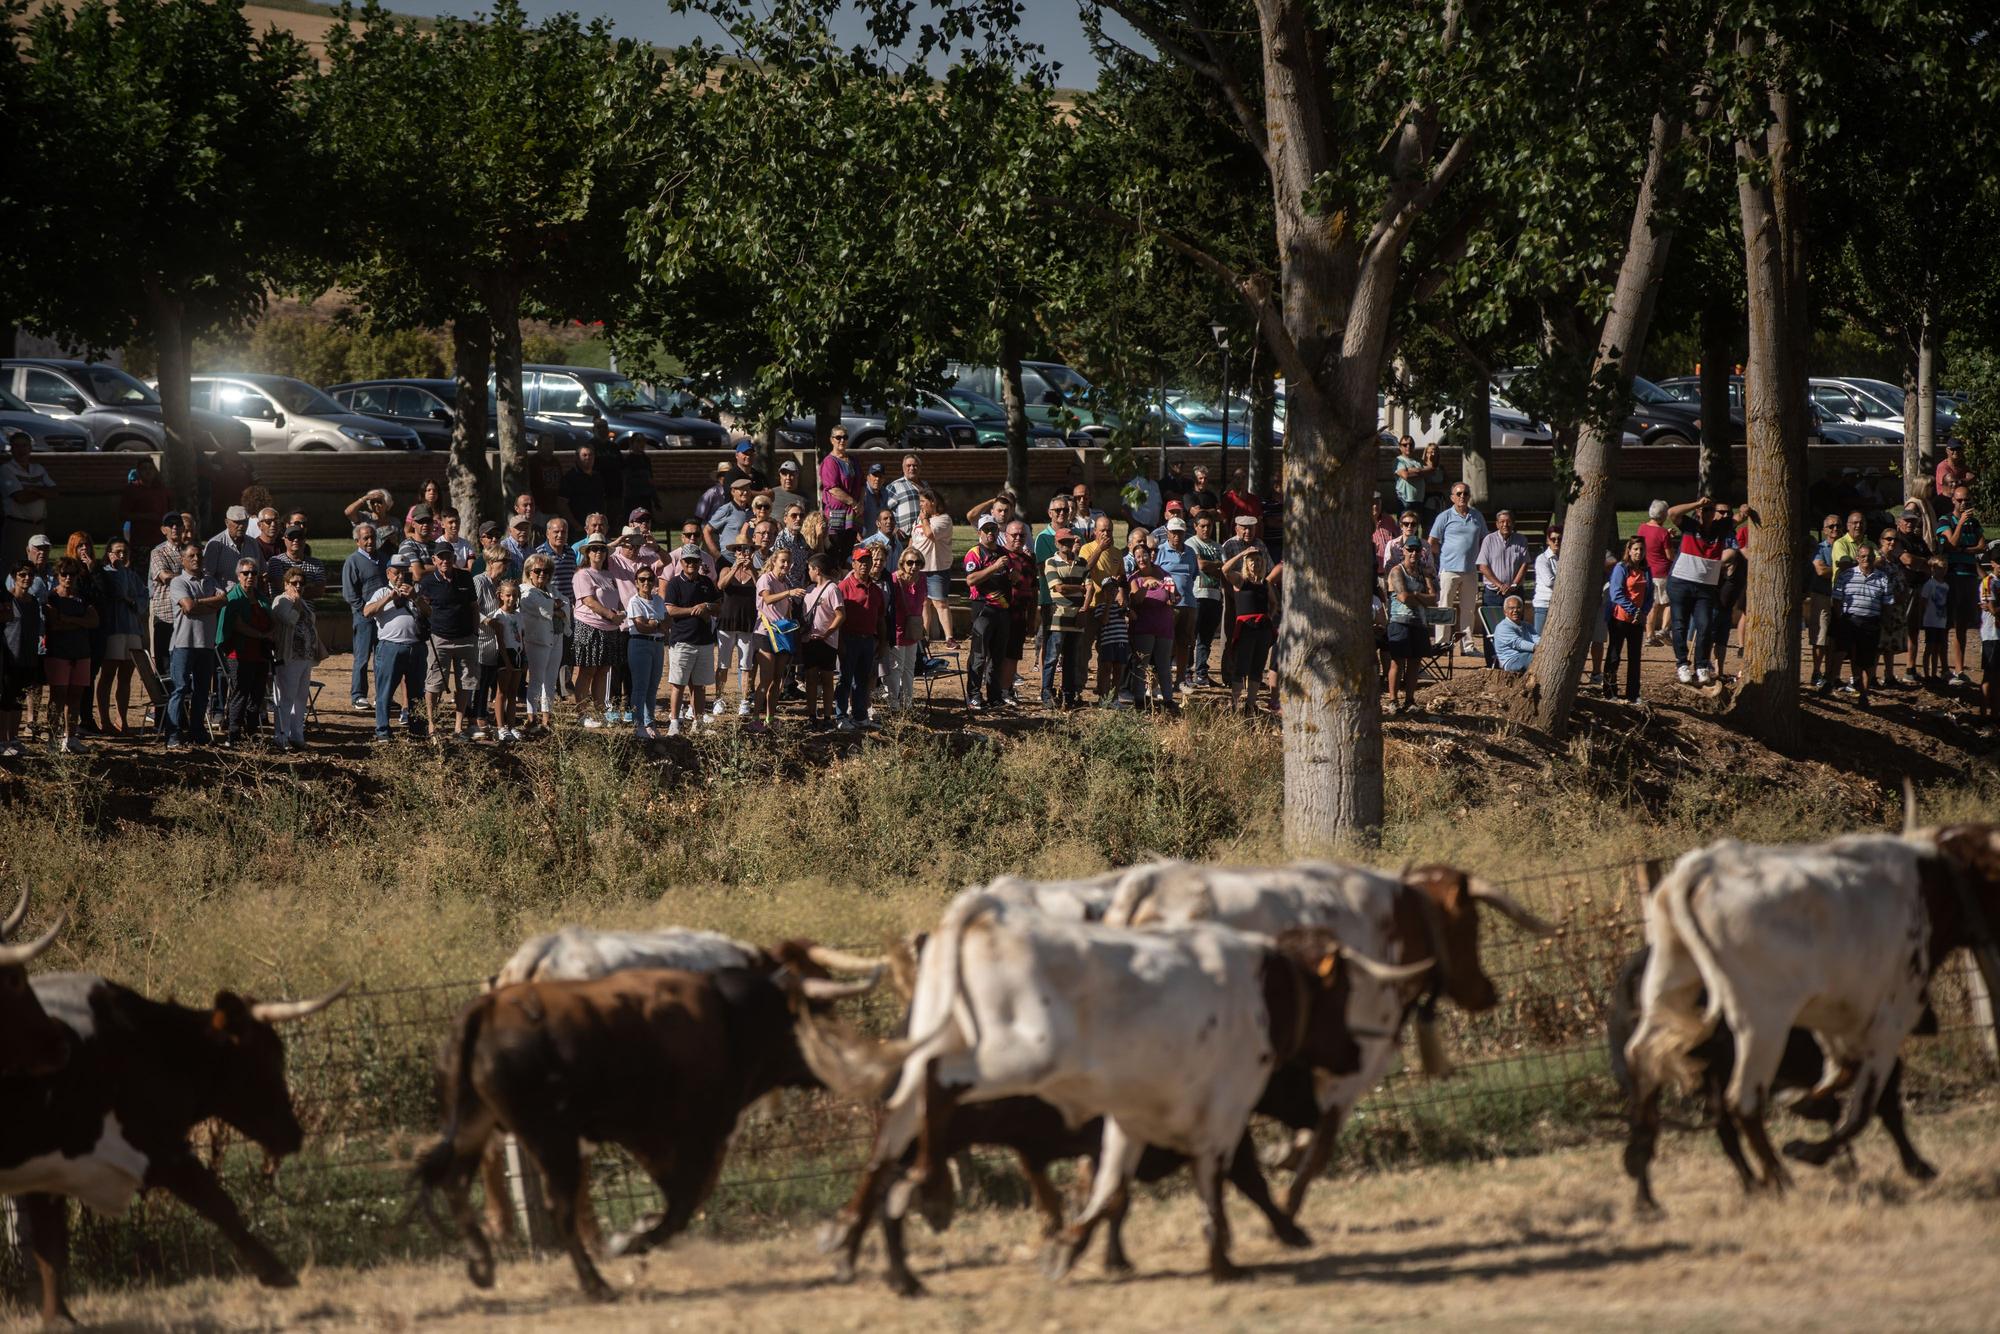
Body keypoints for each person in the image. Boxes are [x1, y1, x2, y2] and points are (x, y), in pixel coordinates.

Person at [1664, 494, 1735, 686]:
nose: (1709, 513)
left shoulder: (1722, 528)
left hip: (1705, 588)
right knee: (1680, 625)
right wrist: (1697, 503)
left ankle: (1702, 665)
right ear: (1698, 512)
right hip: (1680, 584)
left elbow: (1739, 517)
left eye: (1712, 510)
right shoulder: (1689, 525)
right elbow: (1671, 512)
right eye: (1706, 510)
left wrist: (1743, 510)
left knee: (1705, 625)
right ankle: (1682, 664)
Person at [164, 542, 225, 749]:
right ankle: (173, 735)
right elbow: (188, 607)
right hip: (183, 644)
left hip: (206, 645)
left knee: (201, 691)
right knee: (180, 689)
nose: (196, 559)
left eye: (199, 555)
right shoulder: (178, 582)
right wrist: (208, 603)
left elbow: (223, 600)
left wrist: (197, 603)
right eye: (191, 556)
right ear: (182, 559)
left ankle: (197, 732)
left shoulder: (210, 580)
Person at [419, 543, 480, 742]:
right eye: (441, 557)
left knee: (466, 683)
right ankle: (432, 725)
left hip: (466, 638)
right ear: (434, 560)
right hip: (440, 638)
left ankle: (458, 727)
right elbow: (424, 608)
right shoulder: (428, 582)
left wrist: (475, 633)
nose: (445, 561)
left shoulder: (464, 577)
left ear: (454, 558)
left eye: (448, 557)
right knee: (434, 683)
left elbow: (473, 607)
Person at [214, 559, 274, 747]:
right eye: (246, 573)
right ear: (238, 576)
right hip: (239, 654)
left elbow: (271, 619)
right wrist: (261, 634)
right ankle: (233, 734)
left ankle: (252, 733)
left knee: (257, 695)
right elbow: (237, 625)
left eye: (253, 573)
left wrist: (269, 634)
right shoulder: (233, 597)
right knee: (240, 693)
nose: (250, 577)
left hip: (260, 653)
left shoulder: (261, 597)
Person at [40, 558, 98, 753]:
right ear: (57, 574)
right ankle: (53, 738)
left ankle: (70, 737)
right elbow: (55, 624)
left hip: (81, 652)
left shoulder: (82, 596)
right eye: (64, 573)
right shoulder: (52, 597)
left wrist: (69, 620)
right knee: (57, 697)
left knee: (76, 697)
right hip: (59, 653)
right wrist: (80, 621)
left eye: (72, 574)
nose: (68, 577)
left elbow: (94, 621)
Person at [662, 545, 719, 737]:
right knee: (677, 683)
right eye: (688, 561)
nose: (691, 564)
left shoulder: (706, 583)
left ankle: (698, 722)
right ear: (681, 562)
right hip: (682, 640)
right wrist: (695, 610)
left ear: (700, 562)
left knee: (699, 685)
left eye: (695, 560)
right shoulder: (674, 584)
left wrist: (707, 606)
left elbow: (718, 607)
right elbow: (671, 610)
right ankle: (674, 722)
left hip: (704, 641)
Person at [569, 534, 624, 729]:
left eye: (601, 549)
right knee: (588, 670)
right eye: (594, 549)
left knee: (603, 671)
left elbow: (616, 600)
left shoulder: (609, 576)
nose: (598, 552)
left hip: (610, 628)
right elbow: (588, 601)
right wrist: (611, 615)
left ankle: (600, 714)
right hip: (589, 626)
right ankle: (582, 714)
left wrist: (619, 613)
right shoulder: (582, 574)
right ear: (588, 553)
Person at [1825, 543, 1891, 706]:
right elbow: (1837, 598)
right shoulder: (1846, 575)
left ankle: (1864, 693)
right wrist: (1841, 616)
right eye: (1862, 556)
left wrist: (1884, 621)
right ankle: (1830, 682)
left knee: (1867, 660)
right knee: (1840, 652)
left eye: (1869, 557)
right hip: (1849, 619)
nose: (1866, 559)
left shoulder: (1882, 577)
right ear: (1857, 558)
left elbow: (1887, 602)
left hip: (1871, 621)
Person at [1427, 483, 1488, 655]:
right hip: (1448, 570)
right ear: (1452, 497)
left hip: (1470, 570)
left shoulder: (1477, 516)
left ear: (1469, 496)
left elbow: (1484, 539)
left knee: (1468, 609)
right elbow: (1432, 542)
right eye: (1458, 493)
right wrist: (1446, 555)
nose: (1462, 496)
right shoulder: (1444, 517)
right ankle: (1442, 644)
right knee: (1444, 607)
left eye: (1465, 493)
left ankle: (1467, 647)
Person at [94, 538, 146, 734]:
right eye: (117, 552)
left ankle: (122, 719)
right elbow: (118, 592)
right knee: (107, 675)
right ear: (109, 553)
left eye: (125, 552)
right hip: (113, 629)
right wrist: (126, 594)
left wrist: (132, 601)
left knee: (126, 675)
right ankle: (104, 720)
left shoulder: (133, 575)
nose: (121, 556)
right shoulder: (107, 574)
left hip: (132, 629)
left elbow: (143, 599)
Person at [269, 566, 322, 752]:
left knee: (300, 698)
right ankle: (281, 736)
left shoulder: (303, 602)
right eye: (294, 583)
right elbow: (290, 619)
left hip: (305, 657)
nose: (298, 586)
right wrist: (297, 604)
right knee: (286, 697)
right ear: (286, 584)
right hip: (288, 657)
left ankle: (297, 735)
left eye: (301, 583)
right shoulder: (281, 601)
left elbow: (311, 622)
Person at [1936, 486, 1985, 686]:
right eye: (1959, 500)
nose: (1963, 504)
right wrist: (1961, 524)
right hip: (1952, 575)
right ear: (1953, 501)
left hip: (1969, 575)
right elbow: (1951, 544)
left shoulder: (1975, 522)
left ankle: (1960, 668)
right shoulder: (1945, 520)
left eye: (1966, 500)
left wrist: (1963, 550)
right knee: (1947, 622)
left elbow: (1982, 545)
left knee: (1962, 625)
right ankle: (1944, 668)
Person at [1125, 538, 1179, 713]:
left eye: (1144, 555)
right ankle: (1139, 700)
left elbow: (1174, 596)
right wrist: (1146, 587)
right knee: (1141, 664)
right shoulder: (1134, 578)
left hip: (1164, 626)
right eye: (1138, 557)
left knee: (1164, 665)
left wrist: (1174, 599)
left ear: (1151, 556)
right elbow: (1136, 601)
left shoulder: (1164, 574)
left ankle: (1168, 700)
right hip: (1143, 628)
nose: (1141, 559)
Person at [1382, 537, 1435, 714]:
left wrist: (1414, 595)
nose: (1413, 553)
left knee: (1415, 663)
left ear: (1421, 552)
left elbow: (1433, 599)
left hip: (1419, 623)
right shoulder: (1397, 571)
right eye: (1410, 549)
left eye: (1417, 550)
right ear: (1403, 551)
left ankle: (1410, 700)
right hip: (1399, 622)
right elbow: (1403, 597)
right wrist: (1420, 596)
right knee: (1397, 662)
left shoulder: (1423, 572)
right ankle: (1393, 700)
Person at [962, 517, 1009, 711]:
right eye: (986, 529)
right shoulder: (974, 553)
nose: (990, 533)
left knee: (998, 656)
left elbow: (1011, 574)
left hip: (1003, 609)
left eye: (994, 529)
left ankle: (994, 696)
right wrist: (994, 568)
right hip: (983, 608)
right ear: (979, 532)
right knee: (979, 655)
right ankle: (974, 695)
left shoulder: (1003, 552)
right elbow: (971, 579)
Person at [752, 546, 801, 732]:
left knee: (777, 679)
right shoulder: (766, 579)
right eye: (783, 561)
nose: (786, 565)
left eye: (788, 562)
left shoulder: (785, 583)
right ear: (774, 561)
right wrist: (789, 593)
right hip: (765, 633)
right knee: (765, 678)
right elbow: (767, 599)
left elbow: (785, 611)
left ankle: (770, 718)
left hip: (781, 634)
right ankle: (755, 718)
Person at [517, 555, 568, 732]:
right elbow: (540, 607)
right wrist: (556, 607)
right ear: (529, 572)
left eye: (546, 571)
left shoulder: (552, 589)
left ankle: (547, 719)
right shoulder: (524, 591)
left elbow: (568, 605)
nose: (542, 574)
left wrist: (556, 607)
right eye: (537, 571)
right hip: (537, 639)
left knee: (551, 680)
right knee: (536, 679)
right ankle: (532, 718)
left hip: (557, 637)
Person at [1222, 546, 1276, 714]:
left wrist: (1269, 618)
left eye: (1259, 560)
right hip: (1245, 628)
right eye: (1252, 560)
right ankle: (1235, 703)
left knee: (1257, 667)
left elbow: (1274, 603)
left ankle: (1250, 705)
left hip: (1262, 628)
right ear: (1246, 562)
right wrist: (1241, 554)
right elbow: (1224, 570)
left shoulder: (1265, 583)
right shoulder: (1240, 580)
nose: (1256, 563)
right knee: (1241, 666)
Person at [341, 521, 388, 711]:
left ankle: (382, 696)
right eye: (365, 538)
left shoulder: (384, 558)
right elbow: (349, 594)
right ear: (357, 541)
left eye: (372, 537)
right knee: (362, 658)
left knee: (382, 658)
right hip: (364, 617)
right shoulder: (352, 562)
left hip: (385, 618)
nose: (370, 541)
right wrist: (365, 610)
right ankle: (358, 695)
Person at [834, 546, 882, 731]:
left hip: (868, 640)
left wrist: (882, 641)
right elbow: (836, 617)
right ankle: (841, 715)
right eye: (860, 561)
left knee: (863, 679)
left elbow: (880, 619)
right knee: (845, 679)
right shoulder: (844, 587)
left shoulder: (876, 590)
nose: (864, 564)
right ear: (853, 563)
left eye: (867, 561)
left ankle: (860, 716)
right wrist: (839, 643)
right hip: (848, 638)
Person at [1475, 509, 1529, 664]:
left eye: (1508, 521)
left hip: (1515, 592)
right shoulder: (1489, 540)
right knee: (1491, 628)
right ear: (1497, 524)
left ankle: (1515, 661)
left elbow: (1525, 564)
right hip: (1493, 593)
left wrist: (1513, 584)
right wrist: (1499, 584)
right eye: (1502, 521)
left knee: (1516, 627)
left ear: (1513, 523)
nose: (1505, 524)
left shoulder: (1521, 540)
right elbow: (1483, 566)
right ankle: (1492, 661)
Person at [713, 537, 760, 717]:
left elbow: (761, 589)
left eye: (747, 549)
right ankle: (719, 699)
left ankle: (744, 700)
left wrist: (752, 571)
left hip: (747, 622)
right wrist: (735, 568)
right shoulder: (726, 568)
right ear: (735, 552)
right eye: (739, 549)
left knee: (746, 665)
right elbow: (721, 585)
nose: (743, 553)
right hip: (727, 621)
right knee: (723, 663)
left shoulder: (756, 571)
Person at [1603, 535, 1653, 702]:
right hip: (1620, 618)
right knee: (1614, 655)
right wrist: (1633, 610)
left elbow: (1649, 595)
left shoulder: (1647, 570)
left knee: (1635, 657)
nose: (1639, 552)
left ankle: (1633, 694)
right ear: (1629, 551)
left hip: (1637, 620)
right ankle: (1610, 692)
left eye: (1641, 549)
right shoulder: (1621, 567)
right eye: (1636, 549)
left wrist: (1643, 612)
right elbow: (1616, 593)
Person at [622, 565, 668, 738]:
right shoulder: (634, 601)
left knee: (652, 687)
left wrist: (653, 623)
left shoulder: (658, 600)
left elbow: (667, 624)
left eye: (650, 579)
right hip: (640, 644)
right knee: (640, 687)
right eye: (642, 579)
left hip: (657, 645)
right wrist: (656, 623)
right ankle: (638, 723)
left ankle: (650, 723)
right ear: (636, 583)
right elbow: (641, 627)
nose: (646, 582)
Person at [1155, 516, 1199, 690]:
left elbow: (1193, 575)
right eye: (1173, 533)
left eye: (1180, 533)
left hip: (1188, 603)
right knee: (1166, 644)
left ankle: (1180, 680)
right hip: (1168, 605)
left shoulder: (1190, 553)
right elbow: (1155, 574)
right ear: (1167, 533)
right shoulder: (1160, 551)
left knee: (1184, 643)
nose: (1176, 536)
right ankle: (1161, 679)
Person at [0, 433, 56, 566]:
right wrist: (42, 491)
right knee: (15, 565)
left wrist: (32, 489)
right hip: (17, 526)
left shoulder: (38, 469)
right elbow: (20, 497)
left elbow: (54, 493)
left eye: (24, 445)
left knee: (38, 565)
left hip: (38, 526)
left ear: (30, 448)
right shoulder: (6, 469)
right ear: (11, 449)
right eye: (17, 446)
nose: (21, 450)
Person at [910, 487, 955, 648]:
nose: (920, 505)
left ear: (933, 502)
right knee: (923, 603)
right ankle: (925, 636)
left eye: (923, 501)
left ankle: (949, 637)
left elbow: (930, 534)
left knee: (940, 603)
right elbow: (914, 539)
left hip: (936, 567)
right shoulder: (921, 519)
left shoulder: (944, 519)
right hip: (919, 569)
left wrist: (923, 519)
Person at [1186, 513, 1226, 687]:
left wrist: (1215, 567)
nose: (1205, 529)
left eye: (1209, 525)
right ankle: (1186, 672)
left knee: (1206, 639)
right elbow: (1200, 565)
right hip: (1197, 596)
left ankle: (1201, 674)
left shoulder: (1218, 547)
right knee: (1190, 637)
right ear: (1195, 526)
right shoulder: (1191, 543)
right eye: (1202, 525)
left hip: (1215, 596)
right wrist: (1216, 566)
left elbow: (1224, 569)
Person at [1636, 500, 1675, 646]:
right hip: (1662, 572)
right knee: (1669, 602)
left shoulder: (1642, 528)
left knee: (1652, 604)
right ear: (1663, 515)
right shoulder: (1663, 533)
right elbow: (1669, 555)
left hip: (1648, 571)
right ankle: (1664, 630)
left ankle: (1649, 635)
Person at [819, 429, 859, 563]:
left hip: (852, 514)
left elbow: (862, 483)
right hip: (836, 513)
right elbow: (832, 488)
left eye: (845, 437)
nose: (842, 440)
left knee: (848, 553)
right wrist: (854, 503)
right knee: (834, 551)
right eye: (838, 437)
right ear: (832, 440)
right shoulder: (830, 462)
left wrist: (861, 504)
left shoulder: (853, 460)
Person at [557, 445, 610, 529]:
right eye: (584, 455)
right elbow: (562, 504)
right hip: (578, 527)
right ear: (577, 458)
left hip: (597, 526)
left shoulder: (598, 477)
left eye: (591, 455)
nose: (588, 458)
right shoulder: (570, 478)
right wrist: (575, 525)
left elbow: (603, 500)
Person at [704, 478, 759, 557]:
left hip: (747, 555)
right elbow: (706, 530)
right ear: (733, 492)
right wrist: (716, 554)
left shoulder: (752, 510)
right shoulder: (726, 509)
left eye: (747, 489)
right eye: (742, 490)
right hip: (729, 556)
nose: (745, 492)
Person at [1918, 556, 1951, 682]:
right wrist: (1922, 617)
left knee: (1937, 648)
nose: (1943, 571)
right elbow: (1923, 601)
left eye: (1944, 568)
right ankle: (1926, 674)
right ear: (1933, 569)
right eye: (1940, 568)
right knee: (1929, 648)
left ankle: (1933, 673)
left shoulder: (1946, 586)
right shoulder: (1930, 584)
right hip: (1930, 620)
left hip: (1941, 620)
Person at [1491, 595, 1539, 673]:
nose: (1515, 610)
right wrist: (1539, 648)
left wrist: (1546, 646)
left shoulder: (1527, 625)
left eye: (1518, 607)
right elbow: (1518, 643)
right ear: (1505, 612)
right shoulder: (1502, 627)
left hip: (1527, 655)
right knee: (1537, 658)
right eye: (1511, 608)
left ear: (1522, 610)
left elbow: (1536, 638)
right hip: (1512, 660)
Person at [1530, 525, 1561, 634]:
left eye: (1559, 539)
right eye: (1553, 539)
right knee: (1540, 638)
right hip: (1543, 605)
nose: (1556, 542)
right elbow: (1549, 581)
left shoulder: (1562, 558)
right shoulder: (1542, 559)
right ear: (1548, 540)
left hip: (1558, 604)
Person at [884, 455, 924, 538]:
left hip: (923, 534)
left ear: (920, 468)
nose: (912, 468)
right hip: (904, 536)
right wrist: (894, 528)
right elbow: (884, 509)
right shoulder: (895, 486)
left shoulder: (926, 486)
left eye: (915, 465)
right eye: (908, 465)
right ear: (903, 468)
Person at [1393, 436, 1433, 516]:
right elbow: (1406, 475)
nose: (1408, 447)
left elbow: (1430, 471)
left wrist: (1414, 470)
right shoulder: (1398, 461)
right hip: (1404, 499)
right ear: (1400, 447)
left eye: (1411, 444)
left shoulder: (1419, 461)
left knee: (1416, 525)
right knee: (1404, 525)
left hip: (1419, 499)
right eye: (1405, 445)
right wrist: (1420, 472)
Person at [694, 459, 735, 523]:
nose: (726, 477)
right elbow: (699, 516)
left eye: (728, 474)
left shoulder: (736, 492)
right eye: (722, 475)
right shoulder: (711, 493)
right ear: (718, 478)